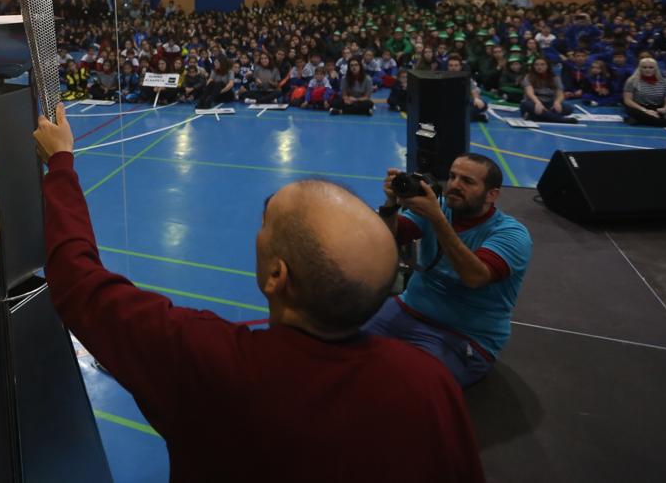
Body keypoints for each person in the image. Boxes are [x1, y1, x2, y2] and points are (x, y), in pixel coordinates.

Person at [30, 104, 484, 481]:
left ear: (276, 276)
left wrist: (61, 162)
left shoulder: (203, 356)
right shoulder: (428, 386)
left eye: (268, 225)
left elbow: (77, 278)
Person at [365, 155, 532, 387]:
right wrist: (390, 205)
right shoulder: (439, 207)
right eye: (452, 177)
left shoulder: (511, 234)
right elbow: (388, 238)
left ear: (492, 194)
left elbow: (474, 277)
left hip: (464, 335)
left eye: (467, 181)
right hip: (407, 310)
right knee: (339, 346)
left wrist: (437, 218)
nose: (454, 185)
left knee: (408, 384)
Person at [622, 56, 666, 129]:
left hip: (658, 108)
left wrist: (665, 109)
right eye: (644, 67)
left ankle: (640, 120)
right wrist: (645, 110)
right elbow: (628, 100)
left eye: (651, 67)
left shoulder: (664, 82)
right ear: (639, 68)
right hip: (639, 107)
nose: (647, 70)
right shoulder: (632, 81)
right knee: (633, 112)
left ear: (656, 69)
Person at [521, 56, 575, 123]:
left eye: (542, 64)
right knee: (525, 104)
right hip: (534, 102)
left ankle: (534, 117)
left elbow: (560, 94)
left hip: (549, 103)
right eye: (536, 65)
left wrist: (557, 102)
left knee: (569, 108)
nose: (539, 67)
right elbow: (530, 94)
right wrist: (538, 103)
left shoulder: (555, 78)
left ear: (547, 66)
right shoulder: (528, 77)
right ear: (533, 66)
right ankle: (560, 119)